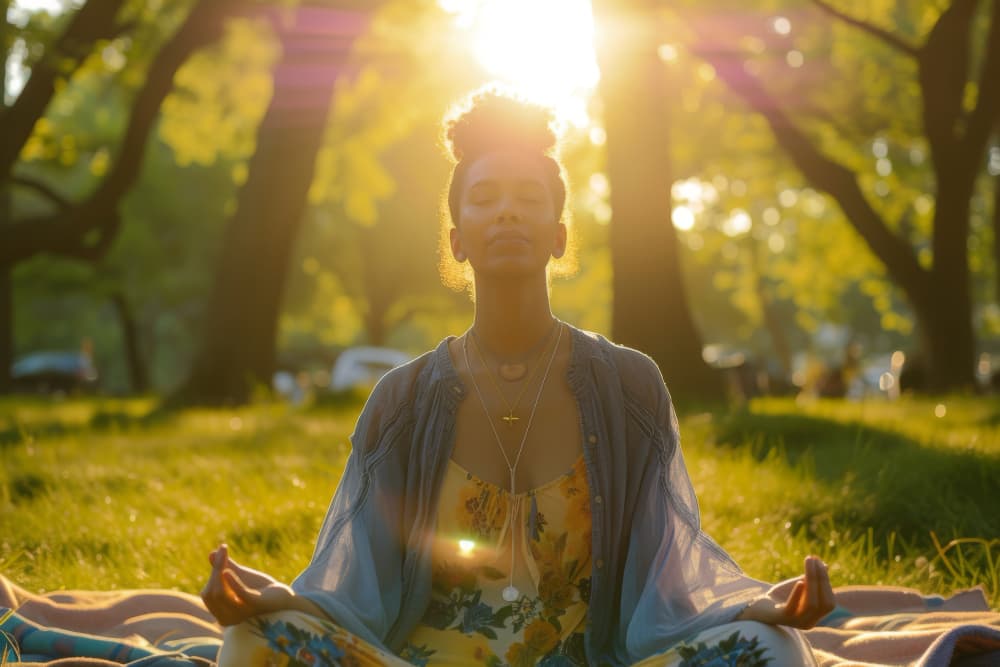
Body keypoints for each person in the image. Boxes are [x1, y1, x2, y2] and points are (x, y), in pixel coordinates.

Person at [197, 87, 834, 667]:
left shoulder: (629, 385)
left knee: (774, 649)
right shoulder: (402, 400)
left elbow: (667, 575)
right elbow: (355, 584)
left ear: (558, 236)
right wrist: (280, 601)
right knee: (252, 641)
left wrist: (756, 608)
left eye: (529, 198)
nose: (507, 213)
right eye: (485, 199)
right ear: (457, 241)